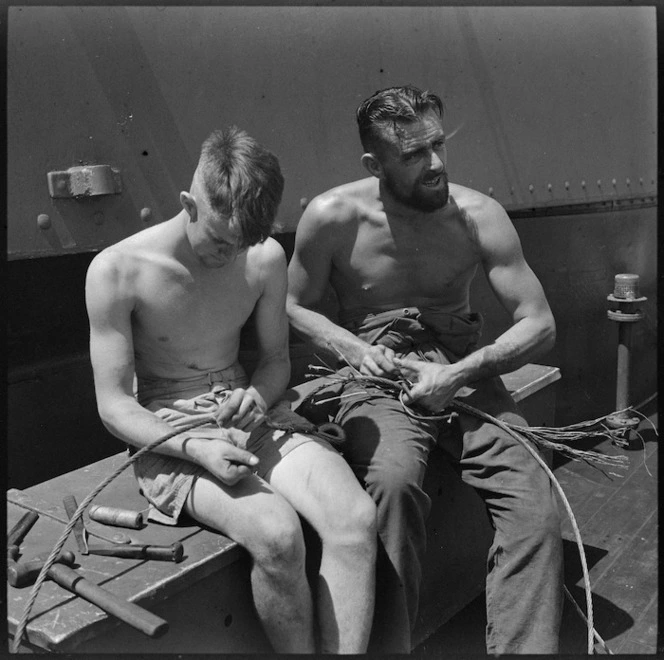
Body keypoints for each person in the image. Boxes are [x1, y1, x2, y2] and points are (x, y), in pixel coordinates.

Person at [286, 85, 563, 654]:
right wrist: (349, 347)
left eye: (437, 145)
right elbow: (292, 304)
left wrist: (460, 374)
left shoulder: (479, 215)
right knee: (390, 485)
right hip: (375, 375)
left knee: (534, 496)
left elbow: (539, 324)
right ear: (375, 163)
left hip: (463, 370)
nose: (435, 164)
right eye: (413, 155)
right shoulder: (332, 217)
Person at [85, 126, 377, 654]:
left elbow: (274, 361)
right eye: (221, 240)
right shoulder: (117, 271)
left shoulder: (261, 258)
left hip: (246, 412)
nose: (230, 254)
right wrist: (196, 447)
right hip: (168, 427)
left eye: (243, 242)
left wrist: (260, 398)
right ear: (188, 205)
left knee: (354, 520)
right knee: (277, 535)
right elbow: (113, 405)